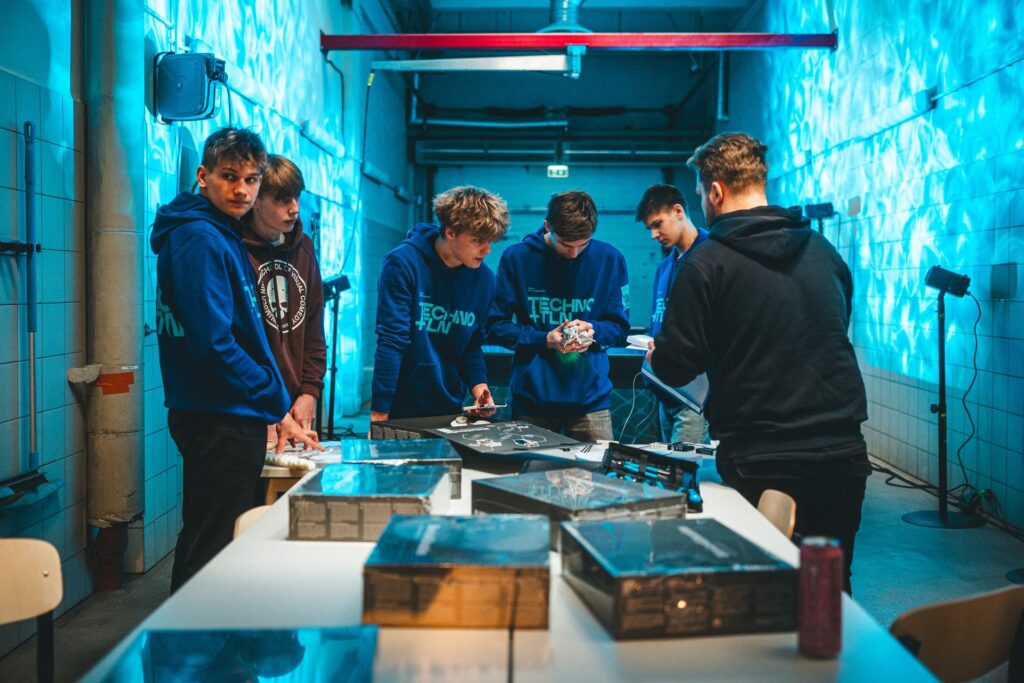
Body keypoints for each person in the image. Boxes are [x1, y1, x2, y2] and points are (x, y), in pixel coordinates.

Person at [647, 132, 870, 591]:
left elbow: (676, 365)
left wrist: (658, 354)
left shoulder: (705, 263)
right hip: (842, 452)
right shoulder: (823, 251)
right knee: (830, 585)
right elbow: (833, 326)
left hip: (761, 454)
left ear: (715, 191)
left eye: (700, 195)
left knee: (761, 590)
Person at [151, 128, 320, 593]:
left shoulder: (217, 234)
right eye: (229, 177)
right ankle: (193, 636)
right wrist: (272, 398)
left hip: (226, 411)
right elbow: (213, 344)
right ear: (203, 176)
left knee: (211, 537)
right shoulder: (200, 238)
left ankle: (196, 632)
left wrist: (277, 407)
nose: (241, 190)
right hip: (218, 416)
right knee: (214, 549)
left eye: (251, 179)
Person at [487, 190, 630, 442]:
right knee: (528, 469)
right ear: (547, 226)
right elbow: (494, 326)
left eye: (583, 245)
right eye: (565, 244)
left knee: (599, 468)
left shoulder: (610, 260)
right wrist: (544, 339)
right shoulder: (517, 258)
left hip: (591, 402)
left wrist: (593, 331)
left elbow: (619, 329)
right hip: (532, 401)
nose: (574, 254)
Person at [370, 186, 510, 421]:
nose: (487, 250)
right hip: (399, 408)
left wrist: (480, 389)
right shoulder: (403, 263)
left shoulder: (484, 280)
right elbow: (392, 341)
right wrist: (379, 412)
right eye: (477, 240)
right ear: (450, 232)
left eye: (490, 241)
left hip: (450, 406)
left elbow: (472, 345)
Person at [241, 155, 326, 445]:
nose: (295, 208)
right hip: (251, 407)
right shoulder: (235, 249)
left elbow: (314, 326)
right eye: (282, 199)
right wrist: (268, 406)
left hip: (295, 403)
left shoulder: (304, 248)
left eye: (296, 197)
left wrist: (310, 392)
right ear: (256, 199)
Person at [634, 183, 710, 445]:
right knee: (670, 464)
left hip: (696, 396)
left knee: (686, 466)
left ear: (678, 211)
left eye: (658, 224)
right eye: (649, 228)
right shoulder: (665, 267)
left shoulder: (712, 256)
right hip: (666, 392)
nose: (654, 235)